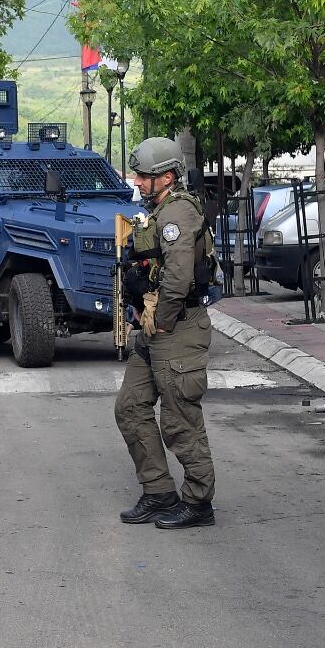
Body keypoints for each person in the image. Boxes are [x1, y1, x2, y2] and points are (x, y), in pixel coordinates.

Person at [113, 137, 218, 529]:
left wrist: (161, 320)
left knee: (179, 419)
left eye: (143, 176)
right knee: (130, 406)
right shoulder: (158, 211)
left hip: (175, 327)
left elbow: (177, 279)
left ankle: (198, 501)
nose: (137, 182)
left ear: (167, 177)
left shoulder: (176, 215)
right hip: (155, 326)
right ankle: (158, 491)